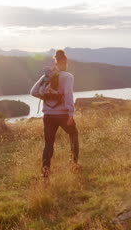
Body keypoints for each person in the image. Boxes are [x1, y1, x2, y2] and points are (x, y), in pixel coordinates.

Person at [30, 49, 79, 179]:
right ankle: (74, 164)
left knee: (48, 144)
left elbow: (33, 92)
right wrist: (70, 113)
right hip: (62, 114)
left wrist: (46, 98)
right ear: (65, 62)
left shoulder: (46, 76)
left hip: (48, 116)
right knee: (73, 134)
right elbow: (68, 94)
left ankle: (45, 172)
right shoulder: (68, 76)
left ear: (55, 62)